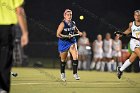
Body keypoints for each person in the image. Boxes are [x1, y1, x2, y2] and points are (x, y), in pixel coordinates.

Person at [0, 0, 28, 92]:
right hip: (5, 28)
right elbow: (19, 10)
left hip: (6, 29)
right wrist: (25, 33)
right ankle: (2, 89)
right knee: (4, 59)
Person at [56, 9, 83, 81]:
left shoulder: (73, 23)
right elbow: (58, 34)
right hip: (63, 42)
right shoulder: (62, 24)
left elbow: (75, 29)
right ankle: (62, 73)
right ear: (64, 16)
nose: (69, 16)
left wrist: (79, 32)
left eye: (70, 14)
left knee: (76, 56)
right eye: (68, 15)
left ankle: (75, 73)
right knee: (63, 60)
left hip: (72, 41)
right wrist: (66, 36)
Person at [117, 10, 140, 79]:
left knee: (131, 59)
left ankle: (120, 69)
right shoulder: (131, 24)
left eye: (138, 15)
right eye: (136, 15)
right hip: (133, 43)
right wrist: (121, 34)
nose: (137, 17)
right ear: (134, 16)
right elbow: (128, 31)